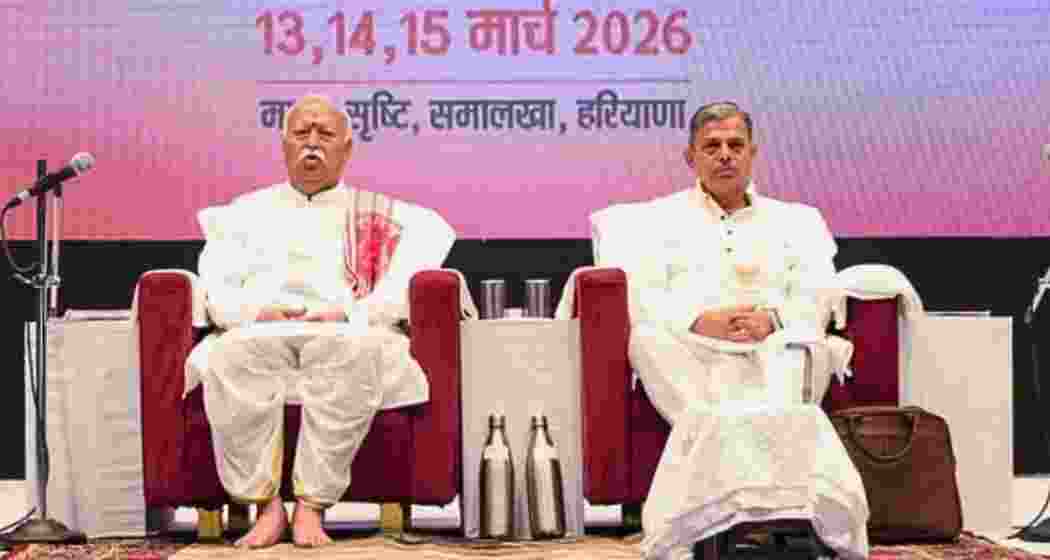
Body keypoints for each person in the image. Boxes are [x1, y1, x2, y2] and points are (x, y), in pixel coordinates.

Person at [191, 94, 455, 548]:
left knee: (356, 353)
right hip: (262, 328)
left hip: (347, 327)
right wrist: (257, 312)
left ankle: (312, 505)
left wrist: (349, 311)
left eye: (325, 134)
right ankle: (267, 505)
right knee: (231, 354)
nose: (313, 143)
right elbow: (217, 290)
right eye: (302, 133)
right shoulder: (244, 214)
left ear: (346, 149)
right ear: (284, 145)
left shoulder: (384, 216)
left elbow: (403, 288)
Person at [622, 102, 870, 559]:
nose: (725, 156)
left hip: (773, 348)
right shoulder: (656, 220)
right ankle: (720, 491)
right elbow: (642, 294)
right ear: (690, 157)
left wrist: (772, 320)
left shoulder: (797, 220)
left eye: (736, 145)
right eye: (711, 146)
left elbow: (819, 291)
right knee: (647, 341)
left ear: (753, 153)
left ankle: (770, 506)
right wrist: (700, 319)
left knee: (803, 344)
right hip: (695, 351)